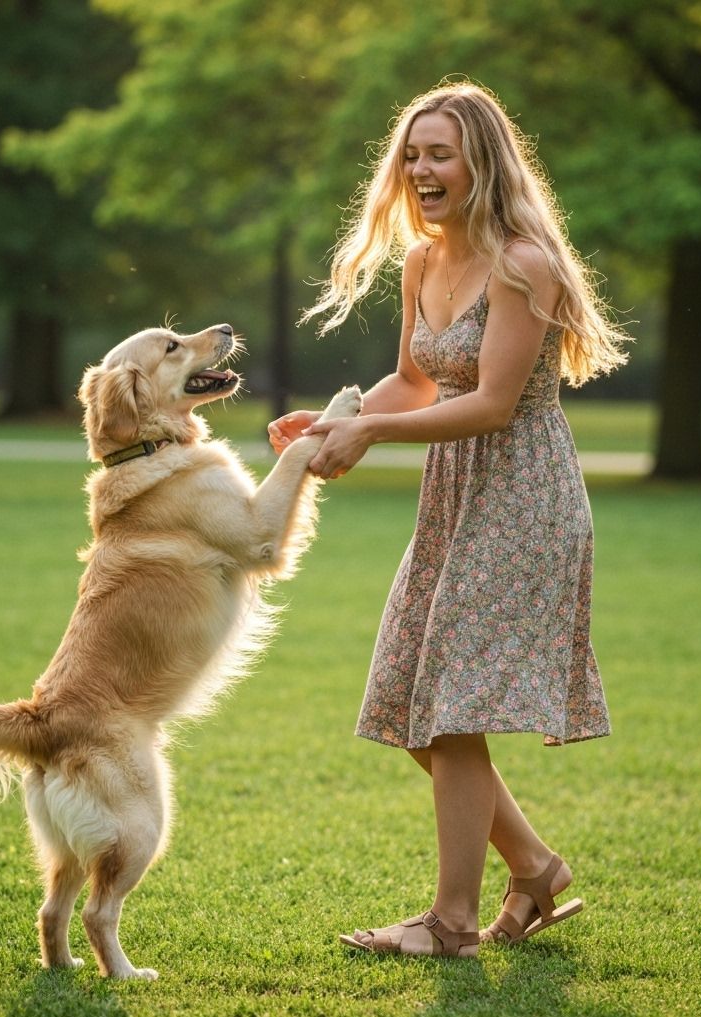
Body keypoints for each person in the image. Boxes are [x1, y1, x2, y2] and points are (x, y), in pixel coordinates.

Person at [268, 81, 629, 959]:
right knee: (410, 697)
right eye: (412, 155)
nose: (422, 170)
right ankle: (535, 868)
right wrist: (337, 421)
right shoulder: (423, 263)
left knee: (448, 713)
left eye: (441, 154)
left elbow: (494, 403)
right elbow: (416, 381)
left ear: (483, 164)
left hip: (524, 500)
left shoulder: (524, 264)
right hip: (455, 499)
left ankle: (453, 922)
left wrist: (372, 434)